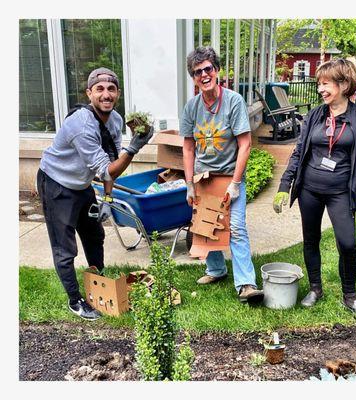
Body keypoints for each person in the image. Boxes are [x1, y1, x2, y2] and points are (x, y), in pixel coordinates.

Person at [37, 67, 153, 320]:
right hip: (57, 183)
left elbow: (110, 164)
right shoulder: (81, 125)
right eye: (99, 89)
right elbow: (106, 169)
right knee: (65, 247)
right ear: (89, 93)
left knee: (94, 235)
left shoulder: (116, 120)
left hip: (82, 184)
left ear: (118, 93)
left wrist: (108, 199)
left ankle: (96, 284)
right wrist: (133, 149)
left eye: (111, 89)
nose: (106, 94)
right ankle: (75, 300)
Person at [273, 59, 356, 319]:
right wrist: (285, 185)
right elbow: (298, 152)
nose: (320, 89)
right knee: (311, 239)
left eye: (325, 83)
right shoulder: (315, 115)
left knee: (347, 243)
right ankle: (315, 288)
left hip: (340, 191)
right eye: (319, 84)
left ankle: (350, 296)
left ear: (343, 84)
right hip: (309, 189)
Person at [180, 46, 263, 304]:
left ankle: (246, 283)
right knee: (206, 226)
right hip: (204, 178)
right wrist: (189, 184)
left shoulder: (233, 101)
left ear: (217, 71)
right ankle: (216, 270)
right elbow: (188, 146)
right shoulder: (191, 107)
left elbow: (245, 144)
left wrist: (236, 183)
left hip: (229, 175)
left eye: (207, 69)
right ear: (193, 78)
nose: (203, 75)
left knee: (236, 227)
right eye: (197, 72)